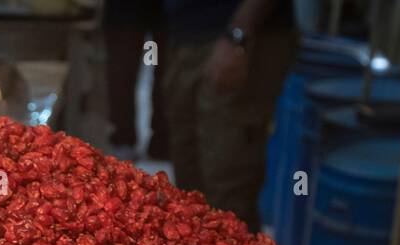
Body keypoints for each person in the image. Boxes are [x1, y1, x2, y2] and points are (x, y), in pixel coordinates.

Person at [162, 0, 297, 232]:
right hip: (186, 33)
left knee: (228, 187)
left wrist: (239, 34)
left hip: (238, 36)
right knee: (188, 187)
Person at [103, 0, 170, 160]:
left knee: (165, 72)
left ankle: (162, 140)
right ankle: (123, 139)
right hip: (125, 11)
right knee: (122, 71)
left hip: (167, 12)